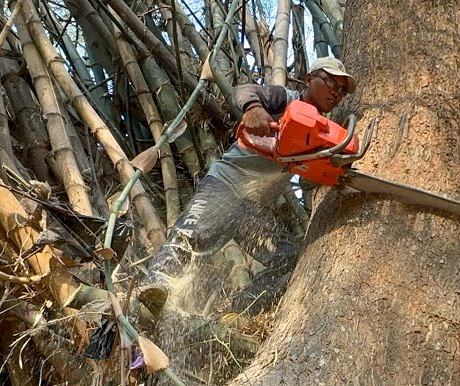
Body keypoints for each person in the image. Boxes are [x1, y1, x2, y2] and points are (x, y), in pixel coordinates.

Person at [137, 57, 357, 318]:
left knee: (289, 259)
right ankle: (155, 287)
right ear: (309, 79)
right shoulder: (285, 99)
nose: (336, 92)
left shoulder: (322, 134)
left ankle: (240, 313)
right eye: (330, 82)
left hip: (252, 210)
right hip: (225, 185)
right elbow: (244, 91)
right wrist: (253, 109)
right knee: (190, 235)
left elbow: (308, 177)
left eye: (341, 90)